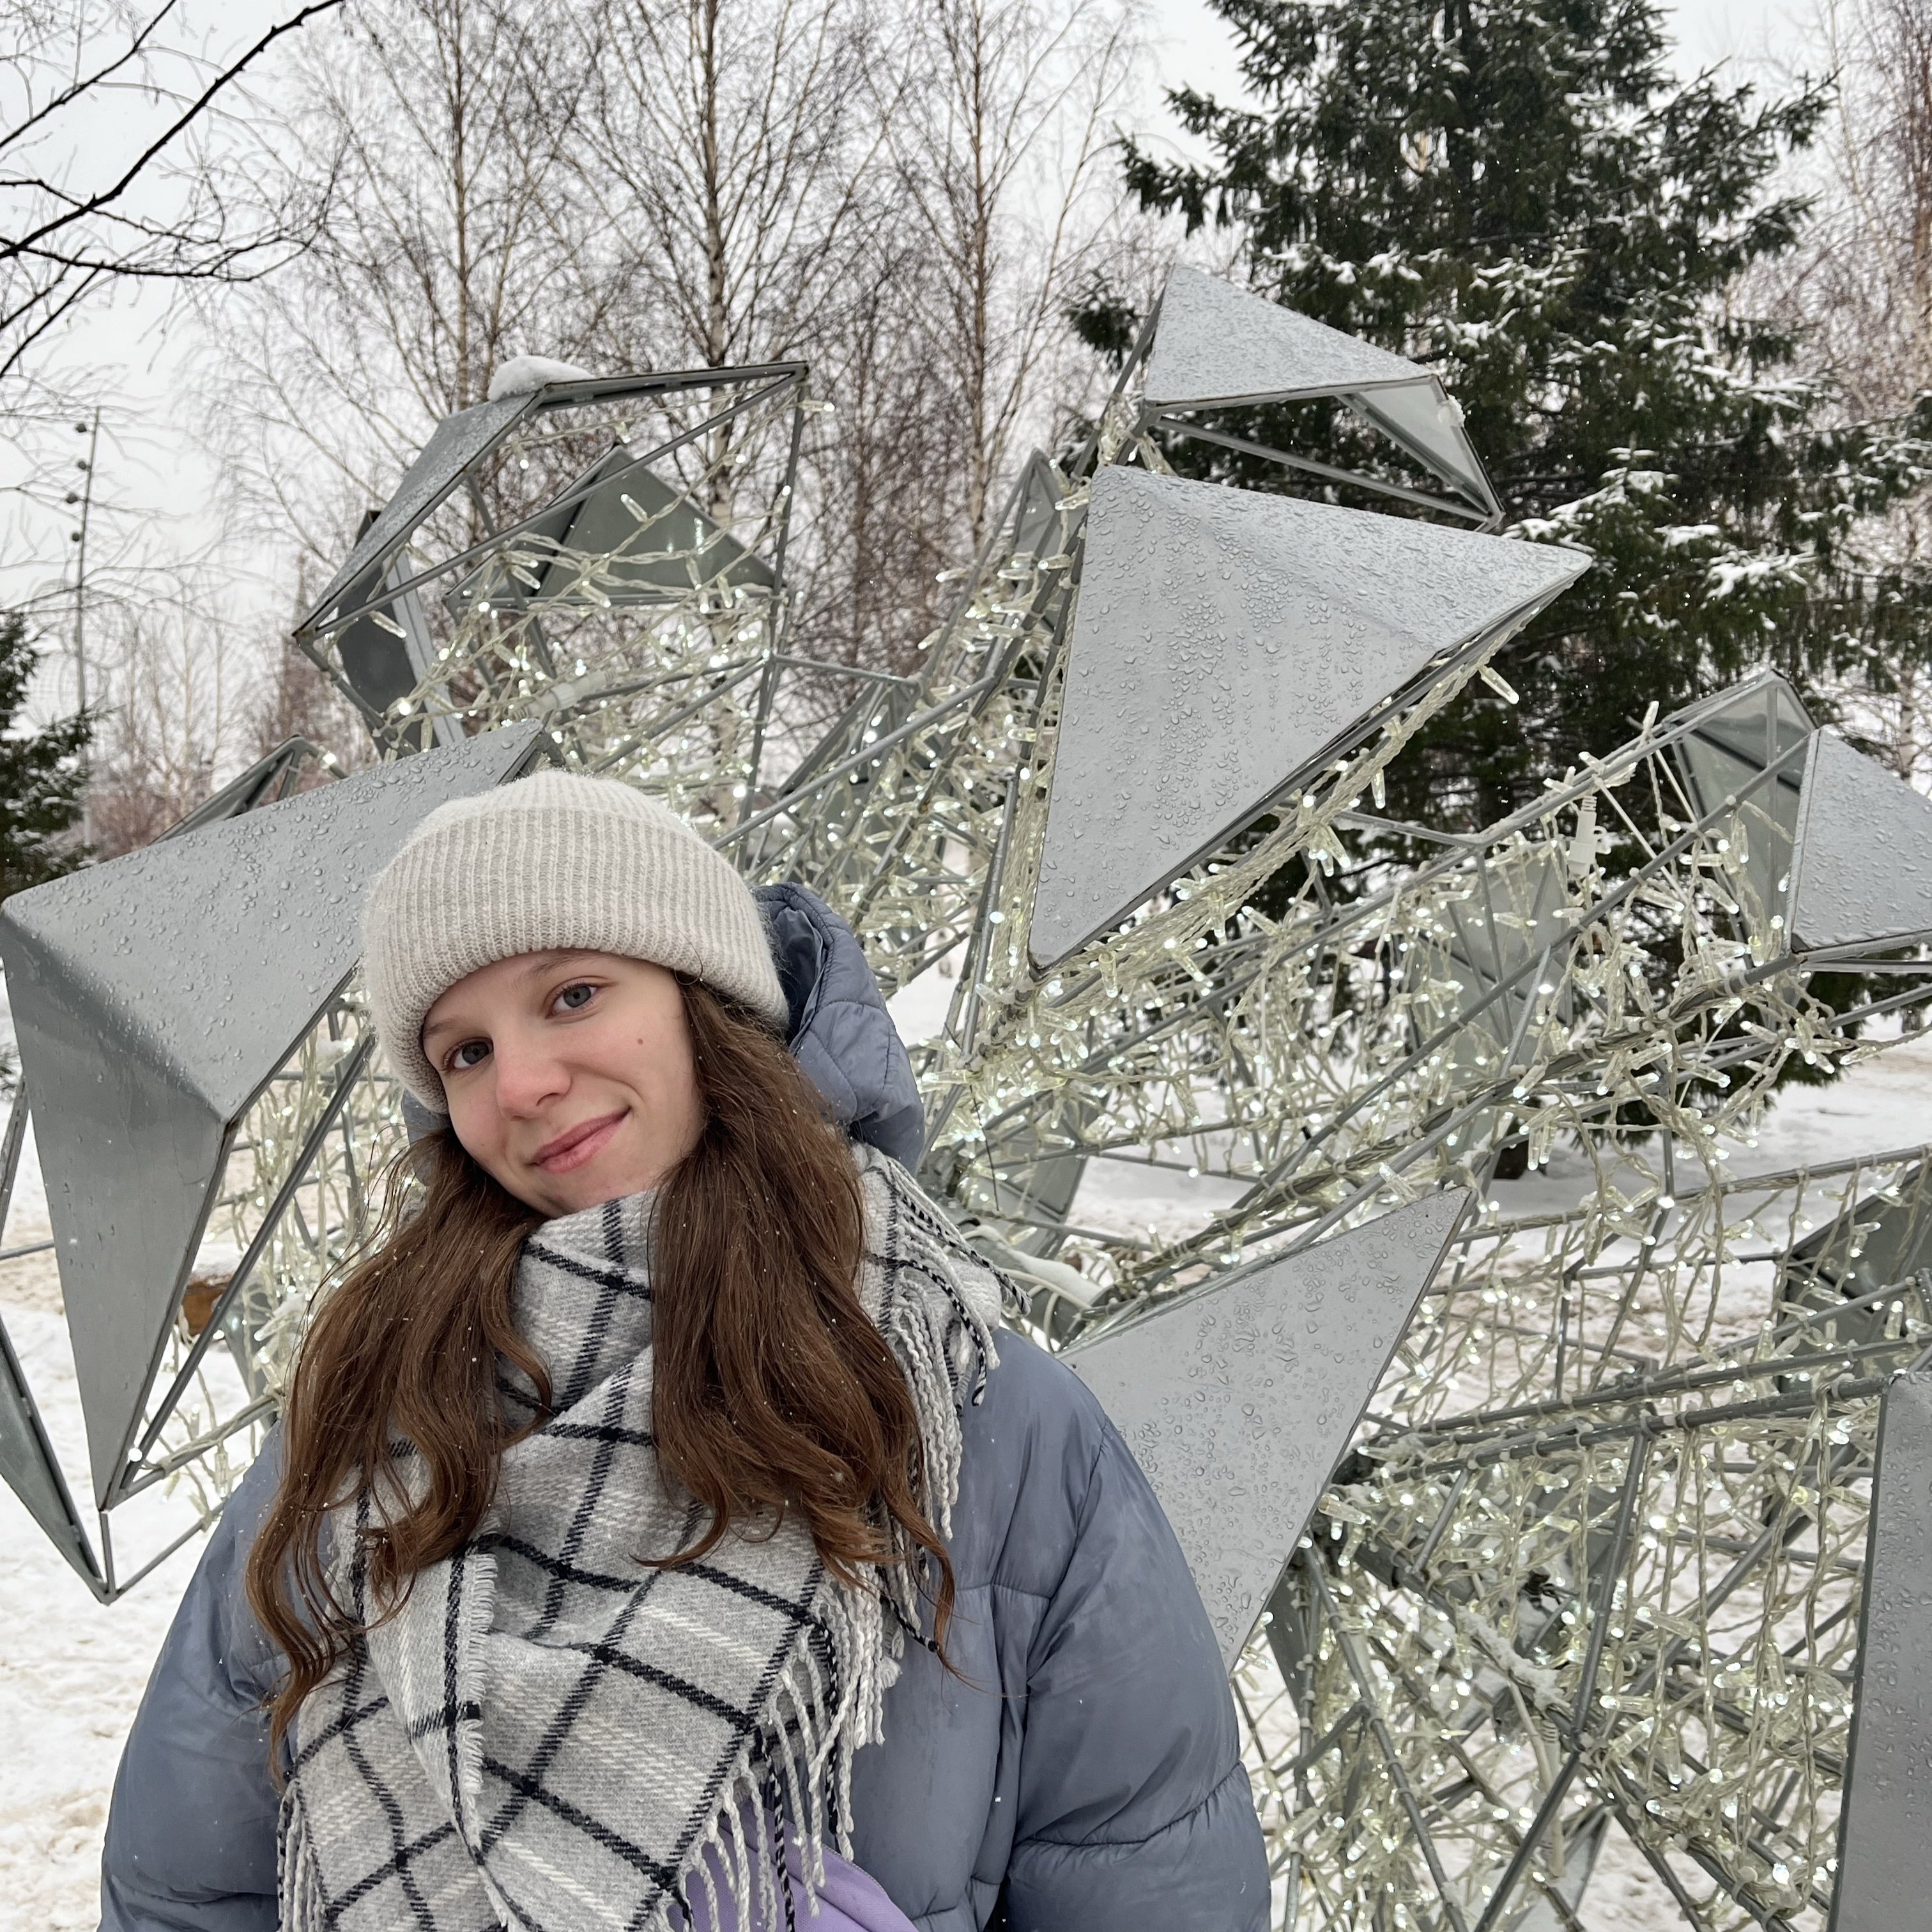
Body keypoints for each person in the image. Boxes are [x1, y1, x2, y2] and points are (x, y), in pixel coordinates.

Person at [98, 771, 1268, 1932]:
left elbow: (1153, 1881)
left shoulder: (979, 1419)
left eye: (573, 995)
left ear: (706, 999)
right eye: (464, 1052)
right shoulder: (367, 1430)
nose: (524, 1084)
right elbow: (185, 1894)